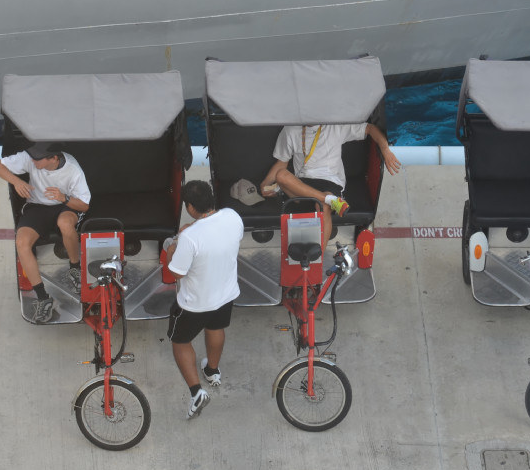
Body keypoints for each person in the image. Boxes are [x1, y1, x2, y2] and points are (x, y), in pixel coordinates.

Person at [164, 180, 244, 419]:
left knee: (179, 342)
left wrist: (173, 248)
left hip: (195, 302)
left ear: (189, 207)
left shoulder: (190, 238)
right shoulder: (232, 216)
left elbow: (176, 272)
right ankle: (212, 370)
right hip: (226, 293)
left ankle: (196, 392)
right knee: (216, 327)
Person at [0, 142, 91, 323]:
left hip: (65, 206)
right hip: (37, 207)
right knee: (21, 243)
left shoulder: (73, 169)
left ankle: (75, 268)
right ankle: (43, 297)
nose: (32, 160)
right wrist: (17, 181)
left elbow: (84, 205)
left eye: (38, 158)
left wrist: (64, 197)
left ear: (54, 158)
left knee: (65, 224)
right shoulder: (31, 158)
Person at [260, 123, 401, 244]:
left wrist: (385, 149)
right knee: (281, 175)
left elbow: (370, 128)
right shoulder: (290, 130)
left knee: (322, 206)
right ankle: (330, 200)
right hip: (301, 185)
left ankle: (318, 259)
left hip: (330, 181)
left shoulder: (334, 126)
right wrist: (265, 183)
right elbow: (281, 162)